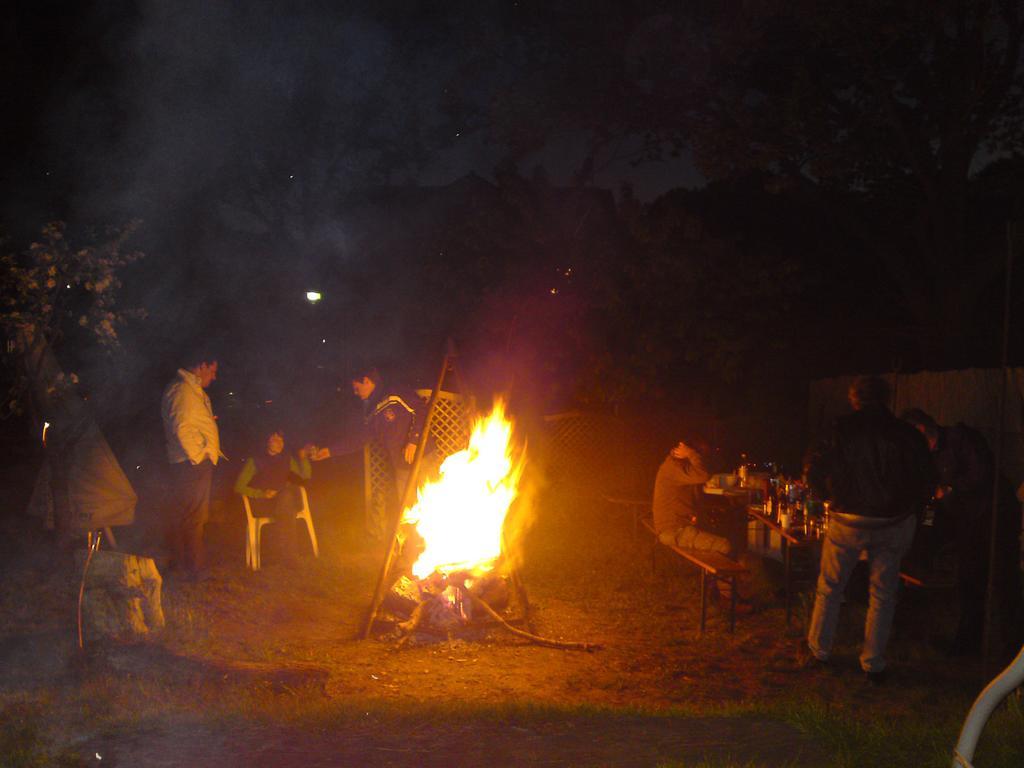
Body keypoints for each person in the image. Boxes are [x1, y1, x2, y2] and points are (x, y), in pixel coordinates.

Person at [803, 376, 933, 683]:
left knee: (830, 587)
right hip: (892, 521)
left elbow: (813, 468)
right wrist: (911, 510)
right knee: (883, 594)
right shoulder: (906, 434)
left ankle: (818, 650)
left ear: (854, 399)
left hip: (847, 519)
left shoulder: (839, 429)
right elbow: (927, 478)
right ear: (886, 399)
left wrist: (828, 497)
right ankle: (873, 661)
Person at [900, 408, 1022, 656]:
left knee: (1003, 579)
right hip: (968, 521)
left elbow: (981, 474)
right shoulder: (928, 457)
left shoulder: (961, 438)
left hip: (996, 513)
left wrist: (950, 489)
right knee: (969, 580)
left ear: (921, 429)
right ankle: (968, 645)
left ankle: (1015, 646)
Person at [311, 366, 434, 537]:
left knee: (435, 502)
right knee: (410, 510)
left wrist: (414, 440)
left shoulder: (395, 393)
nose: (355, 392)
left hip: (423, 456)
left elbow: (421, 410)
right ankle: (419, 552)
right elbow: (361, 439)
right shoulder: (372, 412)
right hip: (402, 466)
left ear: (367, 381)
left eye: (357, 387)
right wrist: (330, 451)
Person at [652, 436, 749, 606]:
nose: (701, 456)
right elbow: (703, 475)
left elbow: (695, 493)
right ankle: (727, 599)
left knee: (728, 535)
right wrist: (691, 453)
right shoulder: (673, 467)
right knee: (724, 545)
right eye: (698, 452)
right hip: (674, 530)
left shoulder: (681, 467)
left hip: (679, 525)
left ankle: (717, 589)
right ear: (682, 449)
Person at [161, 352, 222, 578]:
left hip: (191, 462)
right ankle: (192, 568)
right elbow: (181, 428)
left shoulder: (191, 391)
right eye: (212, 370)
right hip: (190, 464)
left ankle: (184, 566)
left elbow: (190, 423)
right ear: (201, 366)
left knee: (191, 516)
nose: (214, 377)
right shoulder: (182, 391)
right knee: (193, 517)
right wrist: (199, 456)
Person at [234, 429, 313, 563]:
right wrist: (261, 494)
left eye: (281, 440)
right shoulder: (255, 461)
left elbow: (305, 476)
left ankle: (287, 555)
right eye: (275, 439)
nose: (279, 443)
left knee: (287, 498)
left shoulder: (287, 459)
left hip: (283, 502)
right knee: (288, 503)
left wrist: (303, 458)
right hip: (263, 503)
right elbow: (239, 486)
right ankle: (289, 556)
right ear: (267, 442)